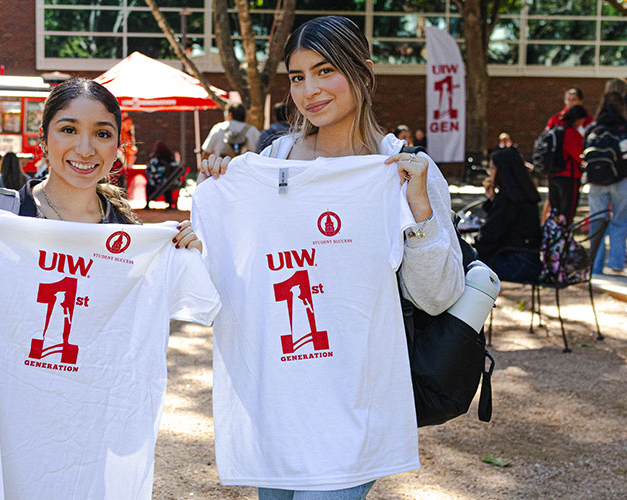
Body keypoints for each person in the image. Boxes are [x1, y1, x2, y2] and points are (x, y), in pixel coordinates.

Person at [197, 15, 463, 500]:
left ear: (363, 70)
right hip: (277, 398)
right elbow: (236, 272)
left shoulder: (402, 168)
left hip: (356, 401)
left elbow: (437, 296)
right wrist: (219, 197)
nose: (309, 91)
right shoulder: (274, 159)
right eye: (297, 77)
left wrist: (420, 211)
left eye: (324, 71)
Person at [0, 77, 203, 499]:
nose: (85, 149)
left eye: (102, 134)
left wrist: (181, 253)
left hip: (81, 430)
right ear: (42, 141)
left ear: (118, 147)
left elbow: (131, 336)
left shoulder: (127, 236)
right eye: (69, 129)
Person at [475, 148, 543, 282]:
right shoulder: (525, 193)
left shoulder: (508, 198)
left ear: (502, 170)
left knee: (467, 268)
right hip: (531, 260)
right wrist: (493, 200)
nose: (490, 173)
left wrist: (471, 251)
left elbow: (490, 233)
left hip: (515, 262)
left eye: (492, 168)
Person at [587, 91, 627, 275]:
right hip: (620, 179)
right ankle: (616, 263)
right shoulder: (623, 128)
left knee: (597, 223)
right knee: (619, 221)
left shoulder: (593, 128)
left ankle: (595, 265)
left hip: (596, 181)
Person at [548, 105, 588, 225]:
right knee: (567, 214)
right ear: (578, 119)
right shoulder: (571, 134)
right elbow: (579, 155)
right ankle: (564, 241)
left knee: (555, 212)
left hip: (552, 175)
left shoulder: (555, 131)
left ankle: (553, 239)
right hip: (568, 177)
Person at [145, 140, 179, 209]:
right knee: (167, 186)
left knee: (149, 185)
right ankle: (169, 203)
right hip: (168, 182)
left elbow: (150, 171)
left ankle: (147, 204)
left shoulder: (155, 159)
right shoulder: (170, 158)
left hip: (157, 182)